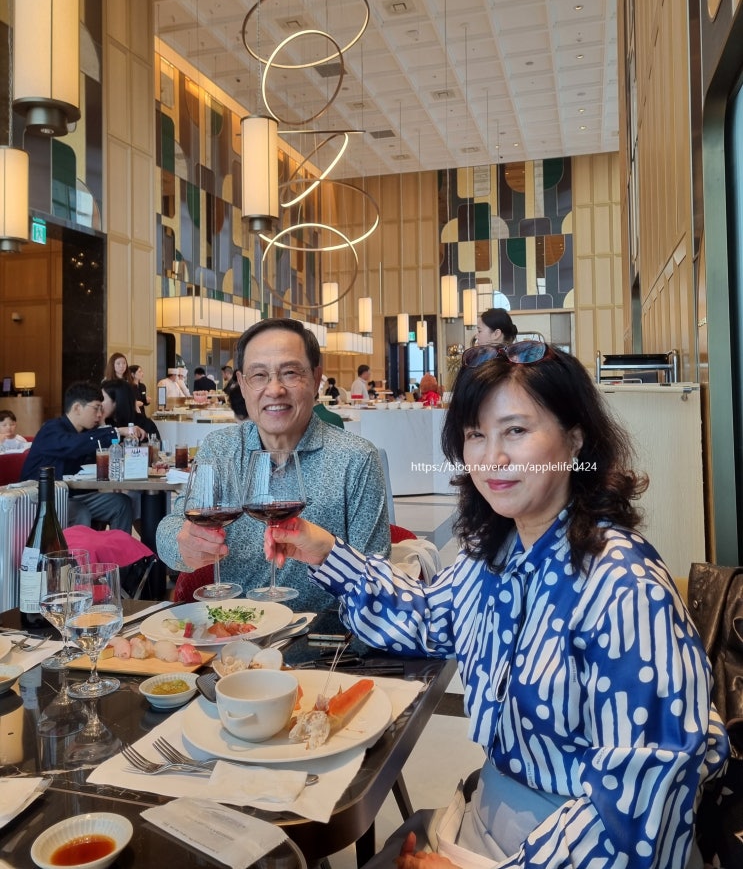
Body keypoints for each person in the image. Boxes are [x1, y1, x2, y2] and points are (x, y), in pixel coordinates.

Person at [265, 340, 728, 869]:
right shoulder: (500, 553)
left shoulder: (624, 586)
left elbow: (643, 805)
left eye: (516, 430)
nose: (493, 458)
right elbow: (428, 616)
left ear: (575, 439)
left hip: (575, 844)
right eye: (476, 435)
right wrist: (323, 551)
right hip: (485, 814)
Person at [156, 317, 390, 611]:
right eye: (259, 375)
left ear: (316, 378)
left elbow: (377, 579)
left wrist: (330, 553)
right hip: (231, 629)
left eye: (290, 373)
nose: (275, 389)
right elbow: (171, 527)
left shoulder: (356, 459)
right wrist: (182, 545)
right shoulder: (221, 448)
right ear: (242, 384)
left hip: (321, 636)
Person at [23, 382, 144, 532]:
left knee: (121, 503)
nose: (99, 414)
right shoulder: (51, 429)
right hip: (43, 499)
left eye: (101, 409)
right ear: (77, 408)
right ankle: (82, 548)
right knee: (79, 510)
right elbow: (73, 446)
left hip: (74, 495)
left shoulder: (85, 434)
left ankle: (118, 547)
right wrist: (116, 432)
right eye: (96, 408)